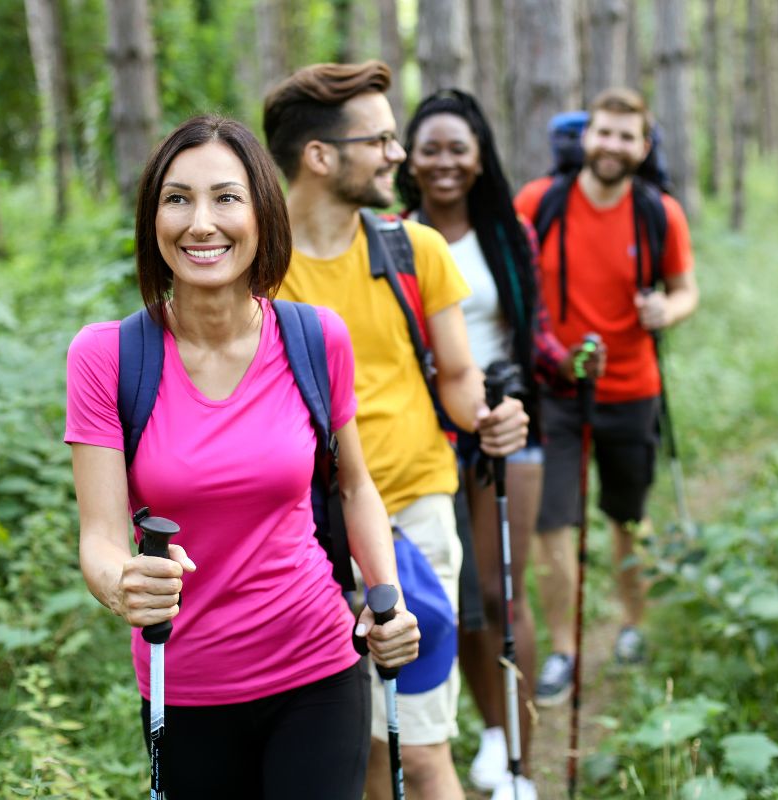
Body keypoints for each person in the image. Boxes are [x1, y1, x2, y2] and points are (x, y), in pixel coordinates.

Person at [64, 114, 419, 800]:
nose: (201, 223)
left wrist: (388, 602)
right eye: (177, 199)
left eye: (226, 197)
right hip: (185, 679)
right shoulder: (106, 357)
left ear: (262, 214)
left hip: (317, 663)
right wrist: (123, 585)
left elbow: (354, 489)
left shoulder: (316, 338)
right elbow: (102, 538)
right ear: (152, 219)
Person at [263, 62, 530, 800]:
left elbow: (455, 374)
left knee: (418, 743)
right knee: (355, 747)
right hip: (295, 541)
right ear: (320, 156)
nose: (397, 154)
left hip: (411, 517)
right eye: (379, 139)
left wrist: (485, 415)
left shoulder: (416, 249)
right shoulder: (255, 266)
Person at [395, 88, 602, 800]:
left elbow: (533, 327)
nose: (445, 161)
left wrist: (568, 370)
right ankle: (486, 732)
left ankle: (518, 760)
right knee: (455, 597)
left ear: (480, 156)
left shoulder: (509, 234)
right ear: (409, 159)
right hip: (426, 432)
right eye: (431, 148)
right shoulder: (392, 237)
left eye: (459, 147)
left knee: (498, 587)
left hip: (511, 425)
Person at [514, 88, 698, 703]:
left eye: (627, 136)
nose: (613, 146)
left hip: (632, 388)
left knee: (627, 518)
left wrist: (664, 310)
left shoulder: (659, 213)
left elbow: (686, 289)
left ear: (644, 148)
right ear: (584, 137)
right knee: (551, 524)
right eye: (604, 133)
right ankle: (564, 651)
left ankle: (633, 626)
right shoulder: (539, 202)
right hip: (555, 390)